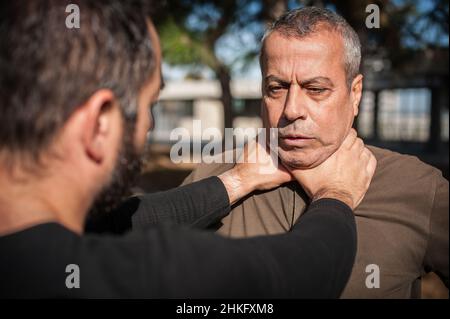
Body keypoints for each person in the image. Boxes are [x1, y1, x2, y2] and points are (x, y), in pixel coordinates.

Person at [0, 1, 377, 298]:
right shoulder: (144, 274)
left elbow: (116, 222)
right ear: (99, 123)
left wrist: (235, 182)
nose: (149, 125)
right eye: (151, 105)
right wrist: (336, 196)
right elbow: (296, 277)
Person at [181, 7, 449, 298]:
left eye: (316, 89)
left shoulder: (419, 187)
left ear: (355, 93)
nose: (292, 109)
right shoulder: (211, 180)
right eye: (277, 88)